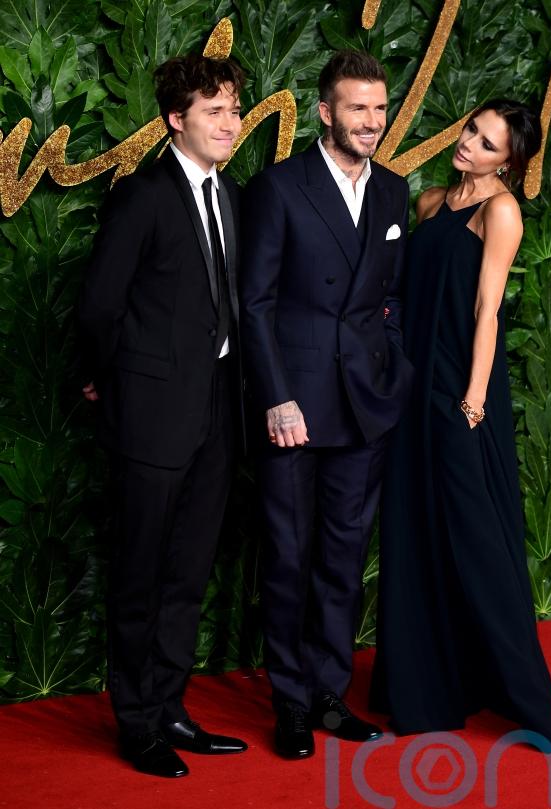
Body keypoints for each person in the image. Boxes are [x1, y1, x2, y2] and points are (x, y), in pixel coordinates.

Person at [370, 99, 551, 752]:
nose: (470, 144)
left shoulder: (501, 211)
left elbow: (488, 310)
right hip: (412, 384)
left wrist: (474, 400)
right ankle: (428, 687)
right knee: (414, 528)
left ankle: (532, 703)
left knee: (476, 537)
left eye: (488, 144)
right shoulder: (429, 203)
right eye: (471, 130)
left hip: (462, 389)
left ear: (508, 162)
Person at [77, 54, 248, 778]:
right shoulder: (142, 195)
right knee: (140, 573)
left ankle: (170, 705)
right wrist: (103, 381)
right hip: (151, 415)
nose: (230, 124)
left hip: (217, 409)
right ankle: (137, 721)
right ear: (176, 119)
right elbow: (99, 304)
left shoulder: (229, 193)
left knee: (187, 570)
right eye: (214, 111)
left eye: (234, 110)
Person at [241, 50, 413, 759]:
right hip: (296, 408)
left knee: (343, 558)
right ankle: (289, 700)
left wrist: (392, 366)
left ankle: (328, 693)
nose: (371, 121)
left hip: (366, 404)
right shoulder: (279, 186)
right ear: (325, 112)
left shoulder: (395, 189)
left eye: (379, 108)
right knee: (288, 556)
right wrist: (276, 396)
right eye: (357, 108)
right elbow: (254, 302)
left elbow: (391, 295)